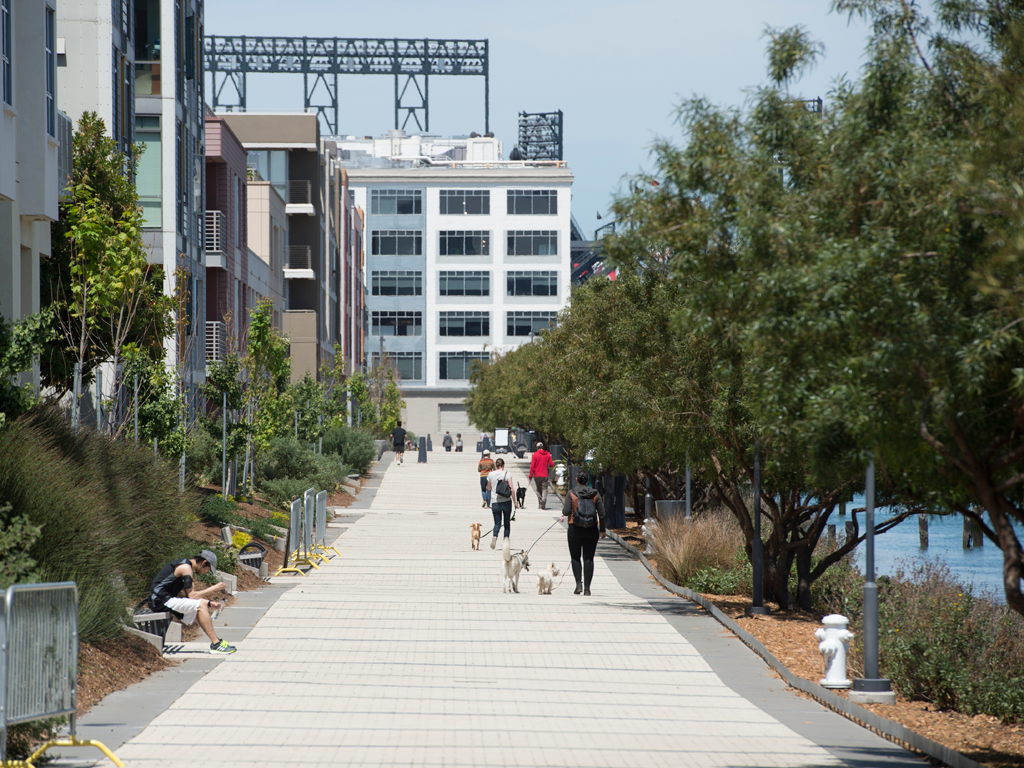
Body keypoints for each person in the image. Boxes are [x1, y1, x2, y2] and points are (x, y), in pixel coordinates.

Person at [149, 550, 236, 654]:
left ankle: (216, 642)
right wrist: (214, 588)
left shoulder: (186, 566)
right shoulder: (186, 568)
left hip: (163, 600)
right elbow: (192, 596)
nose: (207, 572)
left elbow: (191, 596)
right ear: (203, 563)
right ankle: (216, 644)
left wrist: (209, 602)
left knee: (201, 605)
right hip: (159, 600)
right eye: (208, 569)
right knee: (200, 605)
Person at [561, 472, 607, 595]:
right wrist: (602, 529)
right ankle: (587, 588)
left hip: (575, 528)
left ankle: (578, 585)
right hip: (592, 529)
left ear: (577, 480)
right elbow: (602, 514)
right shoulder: (595, 494)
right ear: (587, 480)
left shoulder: (572, 493)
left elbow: (565, 512)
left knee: (575, 557)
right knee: (589, 558)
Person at [487, 458, 519, 549]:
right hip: (506, 501)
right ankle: (506, 542)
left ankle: (495, 536)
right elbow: (512, 489)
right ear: (503, 465)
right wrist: (515, 502)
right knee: (506, 523)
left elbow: (489, 488)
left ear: (495, 465)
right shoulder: (507, 474)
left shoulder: (490, 474)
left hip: (495, 502)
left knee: (497, 523)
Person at [529, 441, 555, 510]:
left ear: (537, 447)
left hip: (537, 475)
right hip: (544, 475)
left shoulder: (534, 455)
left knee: (538, 489)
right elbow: (552, 464)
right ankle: (544, 500)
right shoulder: (548, 454)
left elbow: (532, 466)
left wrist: (530, 475)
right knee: (544, 489)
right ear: (542, 447)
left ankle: (540, 504)